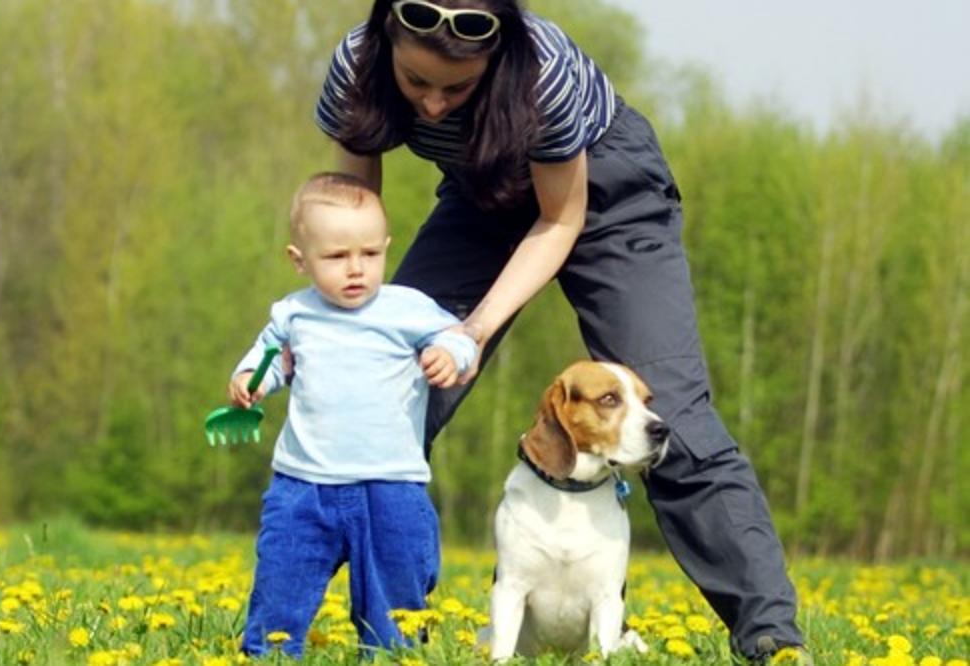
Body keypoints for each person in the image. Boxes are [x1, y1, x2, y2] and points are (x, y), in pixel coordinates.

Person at [312, 1, 812, 663]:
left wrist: (474, 329)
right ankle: (392, 631)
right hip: (482, 197)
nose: (433, 106)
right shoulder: (358, 63)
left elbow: (558, 219)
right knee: (388, 393)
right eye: (416, 84)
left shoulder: (542, 71)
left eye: (456, 89)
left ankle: (771, 634)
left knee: (672, 420)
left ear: (493, 57)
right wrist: (352, 321)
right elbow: (352, 209)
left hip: (606, 200)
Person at [229, 172, 478, 658]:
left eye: (370, 254)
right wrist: (250, 382)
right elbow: (269, 360)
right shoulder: (293, 314)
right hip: (303, 488)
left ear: (385, 247)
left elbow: (461, 336)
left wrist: (451, 354)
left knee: (396, 609)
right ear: (299, 260)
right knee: (281, 586)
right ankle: (270, 655)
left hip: (392, 487)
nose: (356, 269)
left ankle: (390, 655)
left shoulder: (406, 308)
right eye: (337, 257)